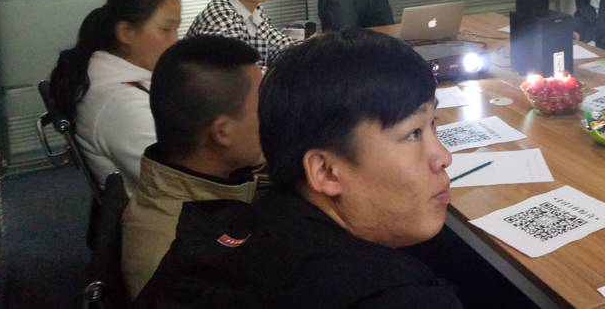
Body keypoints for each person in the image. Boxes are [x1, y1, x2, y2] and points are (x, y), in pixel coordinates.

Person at [134, 29, 463, 308]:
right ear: (326, 171)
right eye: (413, 133)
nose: (444, 157)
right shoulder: (397, 298)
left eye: (433, 124)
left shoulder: (221, 231)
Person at [122, 35, 268, 299]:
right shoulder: (171, 263)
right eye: (261, 109)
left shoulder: (215, 178)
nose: (270, 117)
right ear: (222, 132)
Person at [48, 0, 181, 194]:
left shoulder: (108, 74)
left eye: (177, 29)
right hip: (167, 210)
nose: (175, 41)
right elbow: (180, 186)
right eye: (166, 29)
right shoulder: (121, 105)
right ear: (126, 32)